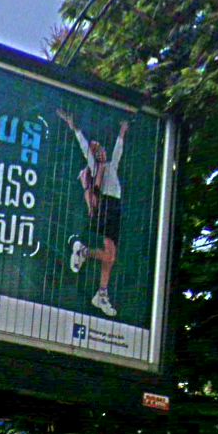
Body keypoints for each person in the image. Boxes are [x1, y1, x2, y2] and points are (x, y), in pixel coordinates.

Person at [56, 109, 131, 319]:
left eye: (100, 148)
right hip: (107, 207)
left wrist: (122, 132)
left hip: (115, 208)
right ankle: (84, 252)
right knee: (109, 255)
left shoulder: (111, 166)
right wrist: (75, 128)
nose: (100, 151)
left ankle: (102, 293)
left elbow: (118, 151)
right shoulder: (96, 167)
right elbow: (83, 146)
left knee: (111, 257)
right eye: (96, 150)